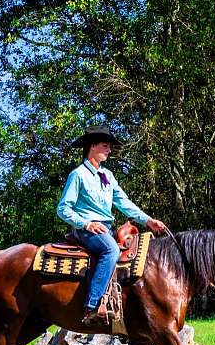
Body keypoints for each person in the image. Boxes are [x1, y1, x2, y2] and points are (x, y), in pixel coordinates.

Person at [57, 126, 167, 325]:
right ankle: (92, 305)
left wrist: (148, 220)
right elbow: (63, 208)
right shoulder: (78, 175)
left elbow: (124, 203)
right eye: (105, 146)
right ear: (92, 147)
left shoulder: (107, 175)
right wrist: (86, 224)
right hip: (87, 230)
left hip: (105, 229)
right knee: (111, 250)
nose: (109, 150)